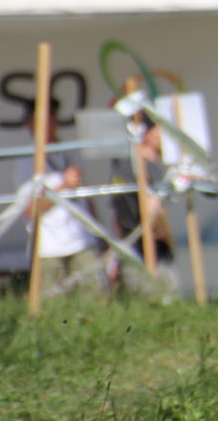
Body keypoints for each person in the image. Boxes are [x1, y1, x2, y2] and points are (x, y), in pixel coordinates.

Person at [15, 98, 103, 296]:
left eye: (51, 118)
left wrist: (98, 233)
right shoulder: (26, 161)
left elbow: (86, 197)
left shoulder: (69, 152)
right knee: (52, 308)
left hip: (82, 241)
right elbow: (30, 210)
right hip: (48, 249)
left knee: (96, 298)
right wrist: (63, 186)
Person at [108, 112, 177, 292]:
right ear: (148, 134)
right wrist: (167, 238)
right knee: (159, 298)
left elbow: (116, 215)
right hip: (146, 250)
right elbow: (152, 212)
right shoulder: (139, 167)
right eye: (161, 131)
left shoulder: (125, 165)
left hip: (129, 247)